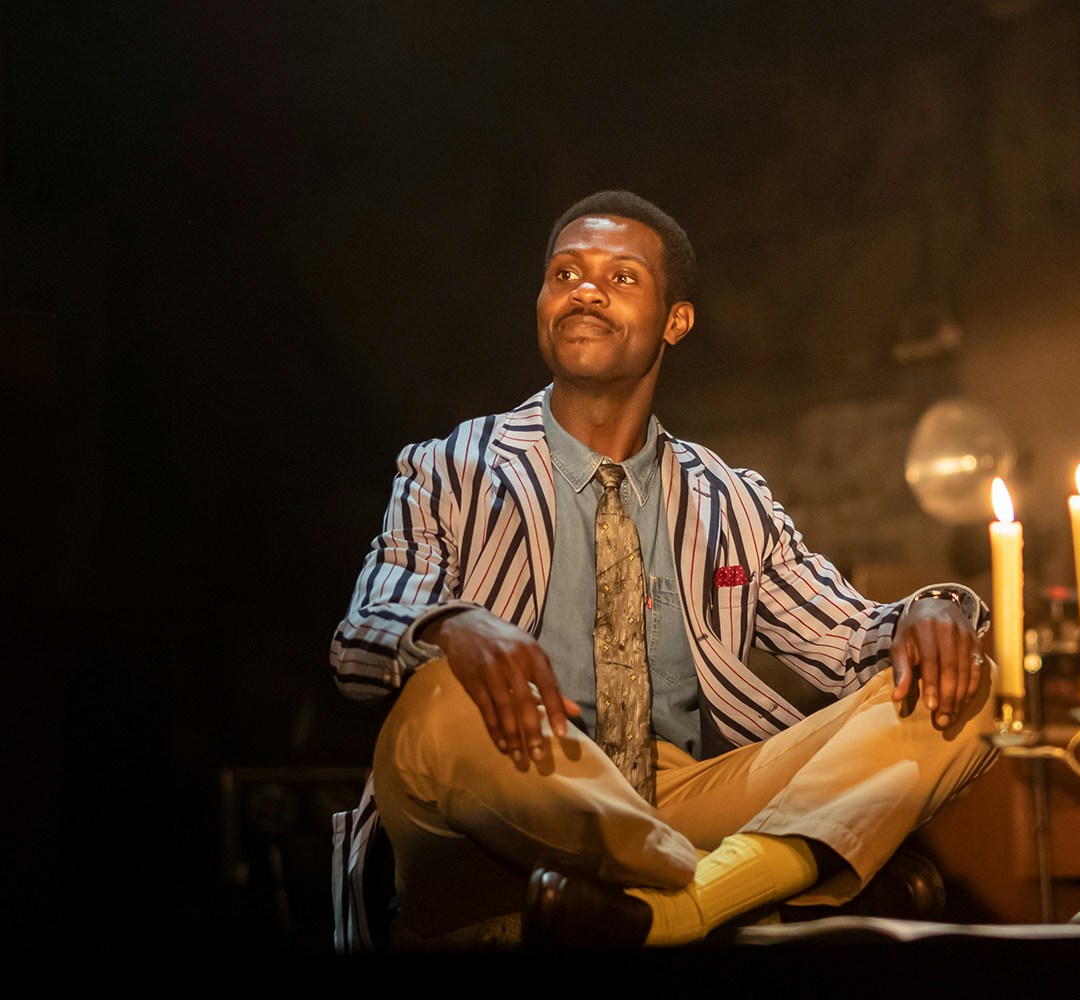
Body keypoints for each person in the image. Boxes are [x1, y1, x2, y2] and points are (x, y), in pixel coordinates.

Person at [329, 190, 997, 951]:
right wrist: (453, 626)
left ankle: (674, 911)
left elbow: (852, 643)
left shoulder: (729, 498)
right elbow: (360, 640)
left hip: (679, 795)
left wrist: (937, 608)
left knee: (966, 686)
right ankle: (717, 884)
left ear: (676, 321)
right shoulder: (448, 466)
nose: (584, 290)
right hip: (511, 782)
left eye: (620, 279)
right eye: (564, 274)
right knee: (436, 699)